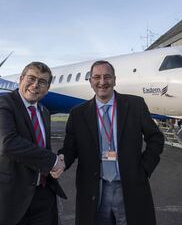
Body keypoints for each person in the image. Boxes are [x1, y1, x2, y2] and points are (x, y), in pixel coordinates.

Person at [59, 60, 164, 225]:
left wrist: (144, 168)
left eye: (107, 77)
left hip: (129, 185)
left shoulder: (135, 105)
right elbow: (70, 149)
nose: (102, 82)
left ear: (115, 80)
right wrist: (61, 162)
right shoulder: (78, 114)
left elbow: (155, 138)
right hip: (96, 189)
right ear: (90, 82)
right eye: (97, 77)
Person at [0, 62, 66, 225]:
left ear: (47, 88)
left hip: (42, 196)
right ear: (21, 80)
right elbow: (8, 143)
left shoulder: (44, 112)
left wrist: (55, 166)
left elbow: (42, 148)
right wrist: (54, 161)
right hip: (7, 197)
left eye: (42, 82)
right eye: (31, 78)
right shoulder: (1, 104)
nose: (35, 85)